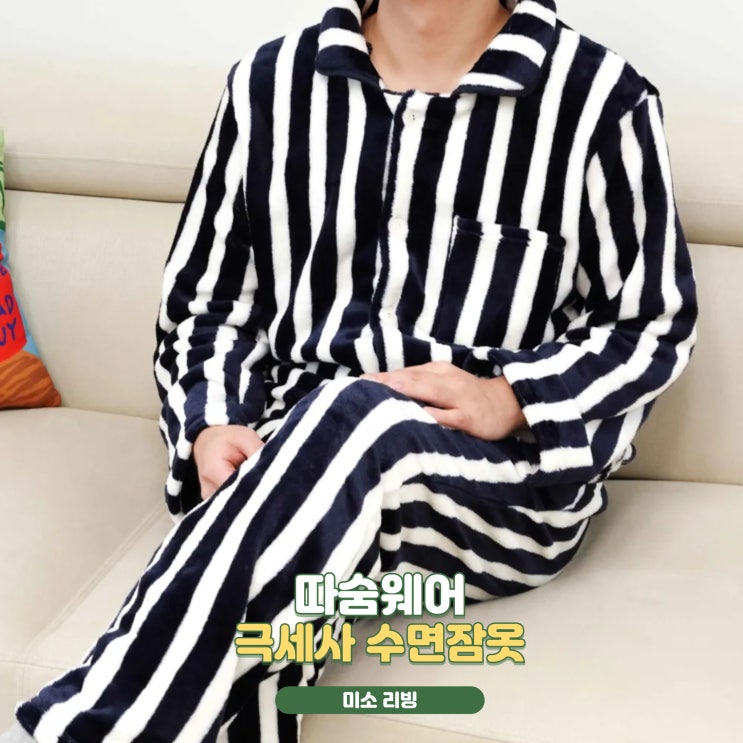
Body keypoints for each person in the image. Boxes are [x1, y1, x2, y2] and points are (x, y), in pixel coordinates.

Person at [2, 0, 698, 741]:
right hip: (290, 460)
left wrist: (512, 396)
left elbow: (651, 324)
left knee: (358, 416)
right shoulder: (269, 84)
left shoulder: (599, 99)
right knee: (300, 552)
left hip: (496, 486)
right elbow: (206, 306)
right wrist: (213, 426)